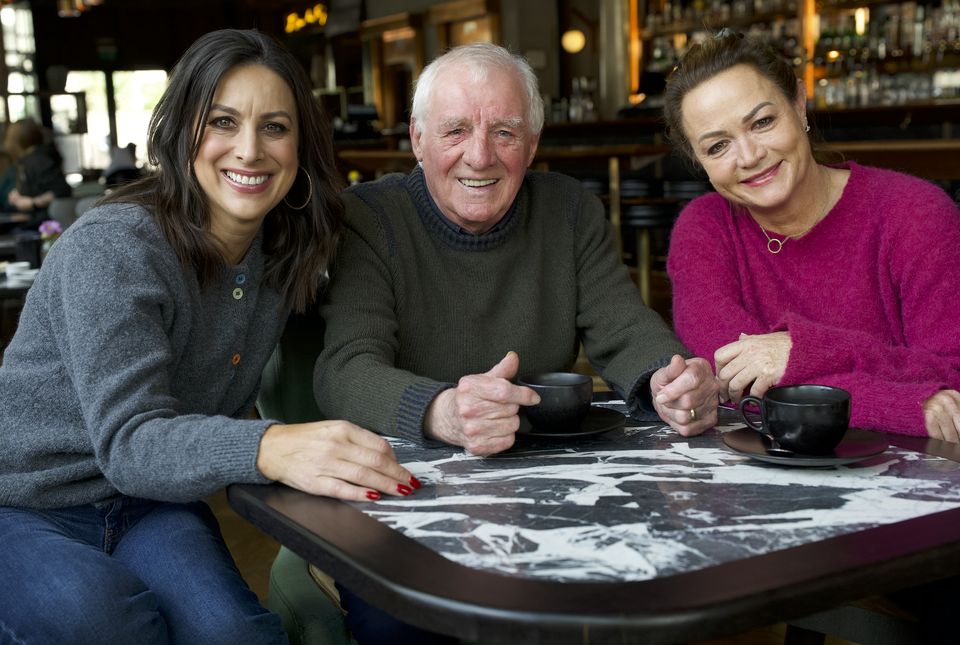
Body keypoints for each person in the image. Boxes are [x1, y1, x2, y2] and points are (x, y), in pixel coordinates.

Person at [0, 29, 419, 644]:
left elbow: (393, 234)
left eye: (275, 127)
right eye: (223, 121)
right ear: (181, 132)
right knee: (107, 623)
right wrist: (271, 444)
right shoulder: (114, 246)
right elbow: (130, 443)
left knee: (235, 635)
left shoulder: (284, 250)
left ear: (301, 145)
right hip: (23, 503)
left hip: (150, 506)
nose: (250, 150)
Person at [311, 40, 718, 644]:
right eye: (455, 131)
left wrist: (671, 378)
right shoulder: (368, 218)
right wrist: (444, 410)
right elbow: (345, 369)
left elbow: (625, 328)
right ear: (417, 140)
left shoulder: (567, 209)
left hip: (543, 485)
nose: (479, 155)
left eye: (504, 132)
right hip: (401, 495)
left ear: (531, 144)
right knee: (408, 629)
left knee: (648, 586)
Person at [662, 31, 960, 443]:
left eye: (762, 123)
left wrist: (798, 352)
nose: (749, 156)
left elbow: (952, 375)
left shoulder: (916, 214)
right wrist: (904, 404)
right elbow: (741, 387)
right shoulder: (704, 230)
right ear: (699, 161)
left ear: (799, 104)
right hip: (759, 470)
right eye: (717, 147)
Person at [4, 117, 72, 222]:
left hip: (45, 222)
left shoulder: (38, 160)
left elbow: (62, 190)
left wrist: (33, 203)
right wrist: (18, 195)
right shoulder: (27, 160)